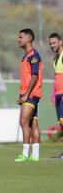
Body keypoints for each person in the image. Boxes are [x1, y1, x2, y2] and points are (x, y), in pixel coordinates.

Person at [14, 29, 43, 162]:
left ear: (28, 39)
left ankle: (25, 154)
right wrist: (22, 95)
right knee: (33, 123)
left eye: (20, 37)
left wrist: (26, 95)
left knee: (23, 121)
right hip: (28, 94)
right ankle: (35, 155)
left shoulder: (33, 56)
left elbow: (35, 76)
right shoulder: (26, 56)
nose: (18, 39)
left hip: (31, 95)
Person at [48, 32, 63, 160]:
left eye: (54, 43)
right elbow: (56, 78)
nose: (52, 45)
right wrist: (53, 96)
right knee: (61, 124)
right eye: (50, 43)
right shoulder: (55, 59)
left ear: (60, 42)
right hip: (58, 96)